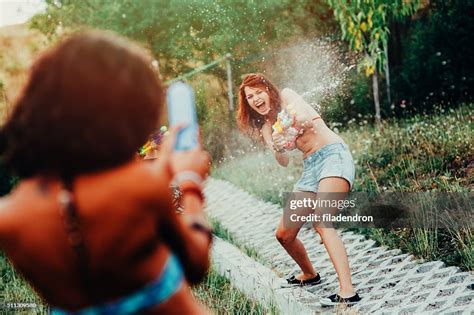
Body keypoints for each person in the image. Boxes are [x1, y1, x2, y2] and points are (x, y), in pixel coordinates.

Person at [0, 31, 212, 314]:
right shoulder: (142, 186)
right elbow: (196, 264)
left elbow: (83, 208)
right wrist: (189, 181)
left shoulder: (11, 219)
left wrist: (163, 166)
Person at [237, 73, 361, 306]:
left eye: (258, 92)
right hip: (310, 169)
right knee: (284, 234)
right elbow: (283, 161)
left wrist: (284, 126)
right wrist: (275, 144)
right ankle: (310, 275)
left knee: (321, 222)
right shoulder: (266, 126)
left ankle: (348, 291)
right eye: (250, 97)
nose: (255, 99)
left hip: (332, 155)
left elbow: (306, 119)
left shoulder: (287, 96)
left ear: (267, 90)